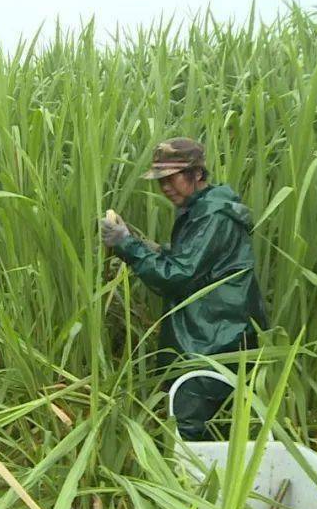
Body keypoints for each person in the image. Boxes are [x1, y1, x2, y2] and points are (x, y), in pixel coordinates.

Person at [100, 137, 268, 440]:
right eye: (160, 180)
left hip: (213, 341)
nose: (165, 186)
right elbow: (194, 261)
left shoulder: (213, 216)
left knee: (191, 431)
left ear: (198, 174)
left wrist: (127, 246)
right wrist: (147, 246)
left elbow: (177, 276)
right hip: (218, 335)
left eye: (171, 177)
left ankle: (199, 487)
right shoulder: (203, 209)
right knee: (220, 434)